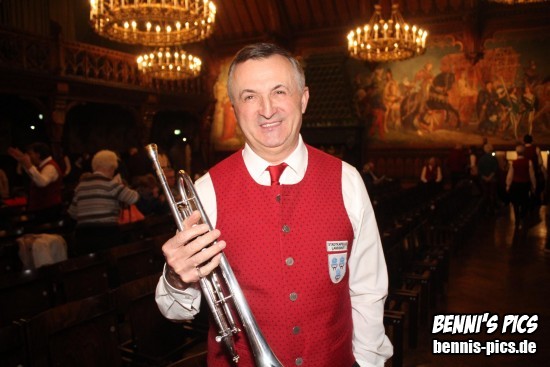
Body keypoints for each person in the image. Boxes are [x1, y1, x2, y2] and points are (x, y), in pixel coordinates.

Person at [155, 43, 393, 367]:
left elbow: (367, 291)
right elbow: (177, 310)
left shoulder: (347, 181)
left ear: (304, 98)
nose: (267, 109)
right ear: (235, 109)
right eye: (249, 96)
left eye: (279, 91)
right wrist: (176, 277)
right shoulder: (204, 191)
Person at [67, 150, 139, 255]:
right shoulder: (111, 185)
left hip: (83, 237)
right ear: (111, 168)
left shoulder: (80, 186)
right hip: (107, 235)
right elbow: (134, 198)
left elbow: (73, 213)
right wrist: (122, 185)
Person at [7, 142, 63, 222]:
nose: (29, 156)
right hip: (43, 210)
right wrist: (25, 163)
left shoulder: (50, 166)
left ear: (38, 154)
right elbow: (35, 176)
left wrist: (28, 164)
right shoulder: (42, 166)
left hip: (48, 211)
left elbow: (41, 182)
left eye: (30, 154)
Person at [506, 145, 536, 230]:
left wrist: (508, 185)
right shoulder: (529, 162)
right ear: (524, 152)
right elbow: (532, 175)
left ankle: (517, 219)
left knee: (515, 202)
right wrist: (534, 185)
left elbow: (510, 175)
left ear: (517, 152)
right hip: (525, 184)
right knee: (524, 202)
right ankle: (523, 216)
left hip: (515, 184)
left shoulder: (513, 163)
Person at [477, 144, 499, 215]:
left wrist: (485, 177)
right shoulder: (493, 158)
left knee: (485, 194)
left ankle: (485, 209)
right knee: (492, 194)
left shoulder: (481, 158)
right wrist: (490, 177)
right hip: (493, 179)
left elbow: (479, 170)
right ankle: (492, 209)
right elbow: (495, 169)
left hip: (483, 179)